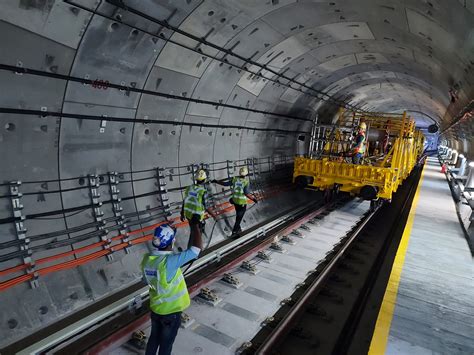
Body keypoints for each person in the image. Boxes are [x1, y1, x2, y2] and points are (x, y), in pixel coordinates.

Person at [141, 224, 202, 355]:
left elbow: (146, 280)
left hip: (156, 309)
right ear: (171, 242)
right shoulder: (169, 262)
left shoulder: (147, 259)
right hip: (171, 313)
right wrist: (196, 227)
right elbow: (196, 250)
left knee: (154, 339)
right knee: (166, 345)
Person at [212, 167, 258, 236]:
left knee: (238, 215)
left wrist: (216, 181)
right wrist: (254, 199)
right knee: (239, 218)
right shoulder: (246, 182)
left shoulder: (235, 179)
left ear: (239, 173)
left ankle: (238, 228)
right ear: (246, 174)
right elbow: (246, 194)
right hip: (242, 203)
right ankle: (234, 231)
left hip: (235, 201)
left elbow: (225, 184)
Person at [181, 169, 215, 244]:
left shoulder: (189, 188)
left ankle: (193, 250)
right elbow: (207, 206)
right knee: (196, 234)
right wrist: (214, 215)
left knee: (193, 232)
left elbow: (185, 201)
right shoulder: (203, 191)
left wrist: (182, 213)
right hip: (196, 217)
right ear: (204, 180)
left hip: (189, 215)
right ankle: (194, 251)